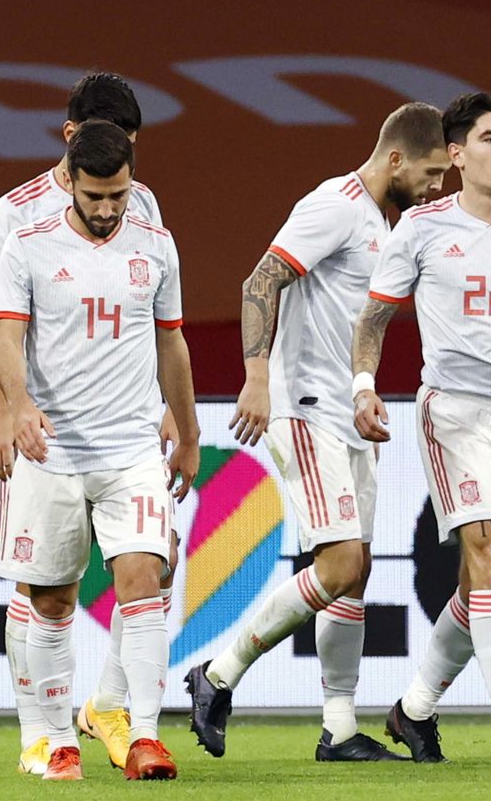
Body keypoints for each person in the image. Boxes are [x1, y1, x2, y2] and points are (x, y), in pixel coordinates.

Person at [184, 103, 450, 762]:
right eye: (432, 172)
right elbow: (262, 279)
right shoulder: (336, 204)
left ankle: (338, 728)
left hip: (348, 416)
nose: (437, 186)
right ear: (396, 159)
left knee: (351, 578)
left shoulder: (383, 223)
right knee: (340, 564)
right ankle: (216, 676)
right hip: (304, 410)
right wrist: (255, 377)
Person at [0, 72, 173, 775]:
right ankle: (41, 733)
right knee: (42, 588)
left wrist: (178, 412)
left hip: (126, 435)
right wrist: (3, 412)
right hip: (44, 434)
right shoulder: (16, 217)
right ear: (71, 139)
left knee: (147, 571)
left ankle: (117, 711)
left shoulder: (140, 205)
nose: (114, 196)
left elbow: (157, 315)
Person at [350, 92, 491, 765]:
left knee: (483, 585)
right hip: (453, 414)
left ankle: (411, 711)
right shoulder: (422, 229)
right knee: (490, 561)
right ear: (457, 154)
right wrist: (364, 386)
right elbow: (373, 320)